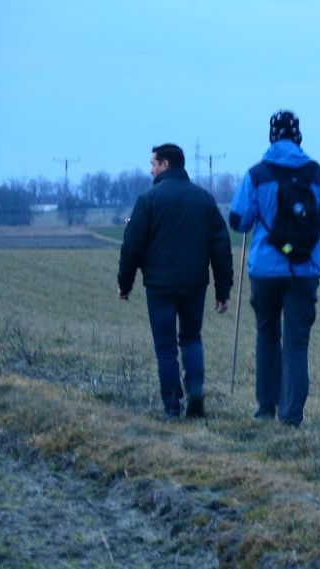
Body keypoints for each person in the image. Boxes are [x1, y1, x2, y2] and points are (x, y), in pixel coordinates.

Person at [228, 110, 320, 427]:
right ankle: (291, 415)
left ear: (272, 137)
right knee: (296, 343)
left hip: (264, 269)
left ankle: (266, 407)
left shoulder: (257, 174)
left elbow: (238, 220)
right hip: (305, 272)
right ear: (299, 137)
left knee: (266, 335)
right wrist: (309, 249)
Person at [118, 143, 234, 421]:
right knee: (191, 338)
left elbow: (132, 245)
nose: (151, 169)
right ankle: (195, 389)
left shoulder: (148, 200)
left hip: (159, 286)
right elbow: (221, 246)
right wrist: (223, 289)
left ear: (166, 165)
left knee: (166, 346)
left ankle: (172, 407)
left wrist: (125, 283)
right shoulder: (204, 200)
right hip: (194, 284)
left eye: (154, 164)